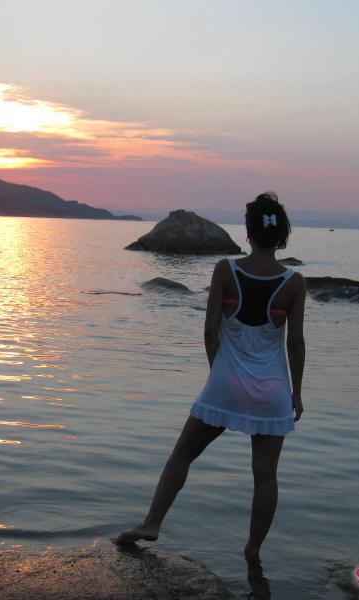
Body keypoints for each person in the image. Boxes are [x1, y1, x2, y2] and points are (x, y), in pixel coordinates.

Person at [111, 191, 306, 562]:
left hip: (225, 384)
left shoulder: (225, 270)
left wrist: (219, 372)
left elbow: (209, 330)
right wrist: (296, 394)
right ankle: (252, 551)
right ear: (281, 235)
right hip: (271, 392)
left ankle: (152, 523)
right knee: (265, 475)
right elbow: (295, 344)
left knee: (183, 453)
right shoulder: (294, 283)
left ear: (248, 233)